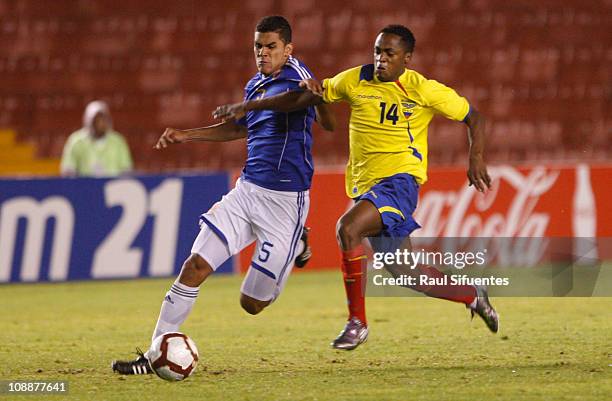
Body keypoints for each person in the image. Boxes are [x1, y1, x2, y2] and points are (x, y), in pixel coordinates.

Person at [214, 24, 498, 351]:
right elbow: (310, 96)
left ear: (407, 58)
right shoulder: (354, 80)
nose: (381, 59)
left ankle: (357, 323)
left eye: (389, 54)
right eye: (378, 51)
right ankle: (474, 296)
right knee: (409, 274)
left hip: (399, 183)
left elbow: (475, 118)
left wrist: (475, 159)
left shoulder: (424, 89)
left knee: (347, 229)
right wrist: (255, 106)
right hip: (365, 187)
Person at [111, 15, 335, 375]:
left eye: (271, 46)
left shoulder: (296, 75)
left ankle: (296, 246)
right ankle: (154, 353)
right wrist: (187, 135)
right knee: (194, 266)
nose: (263, 53)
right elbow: (237, 129)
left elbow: (297, 100)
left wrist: (248, 106)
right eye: (258, 46)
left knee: (251, 304)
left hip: (285, 205)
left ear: (288, 48)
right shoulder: (254, 84)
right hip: (246, 194)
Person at [60, 100, 133, 177]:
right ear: (88, 121)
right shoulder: (76, 141)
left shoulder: (118, 141)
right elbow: (68, 169)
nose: (100, 124)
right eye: (96, 120)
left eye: (103, 119)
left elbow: (126, 169)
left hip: (112, 186)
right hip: (85, 187)